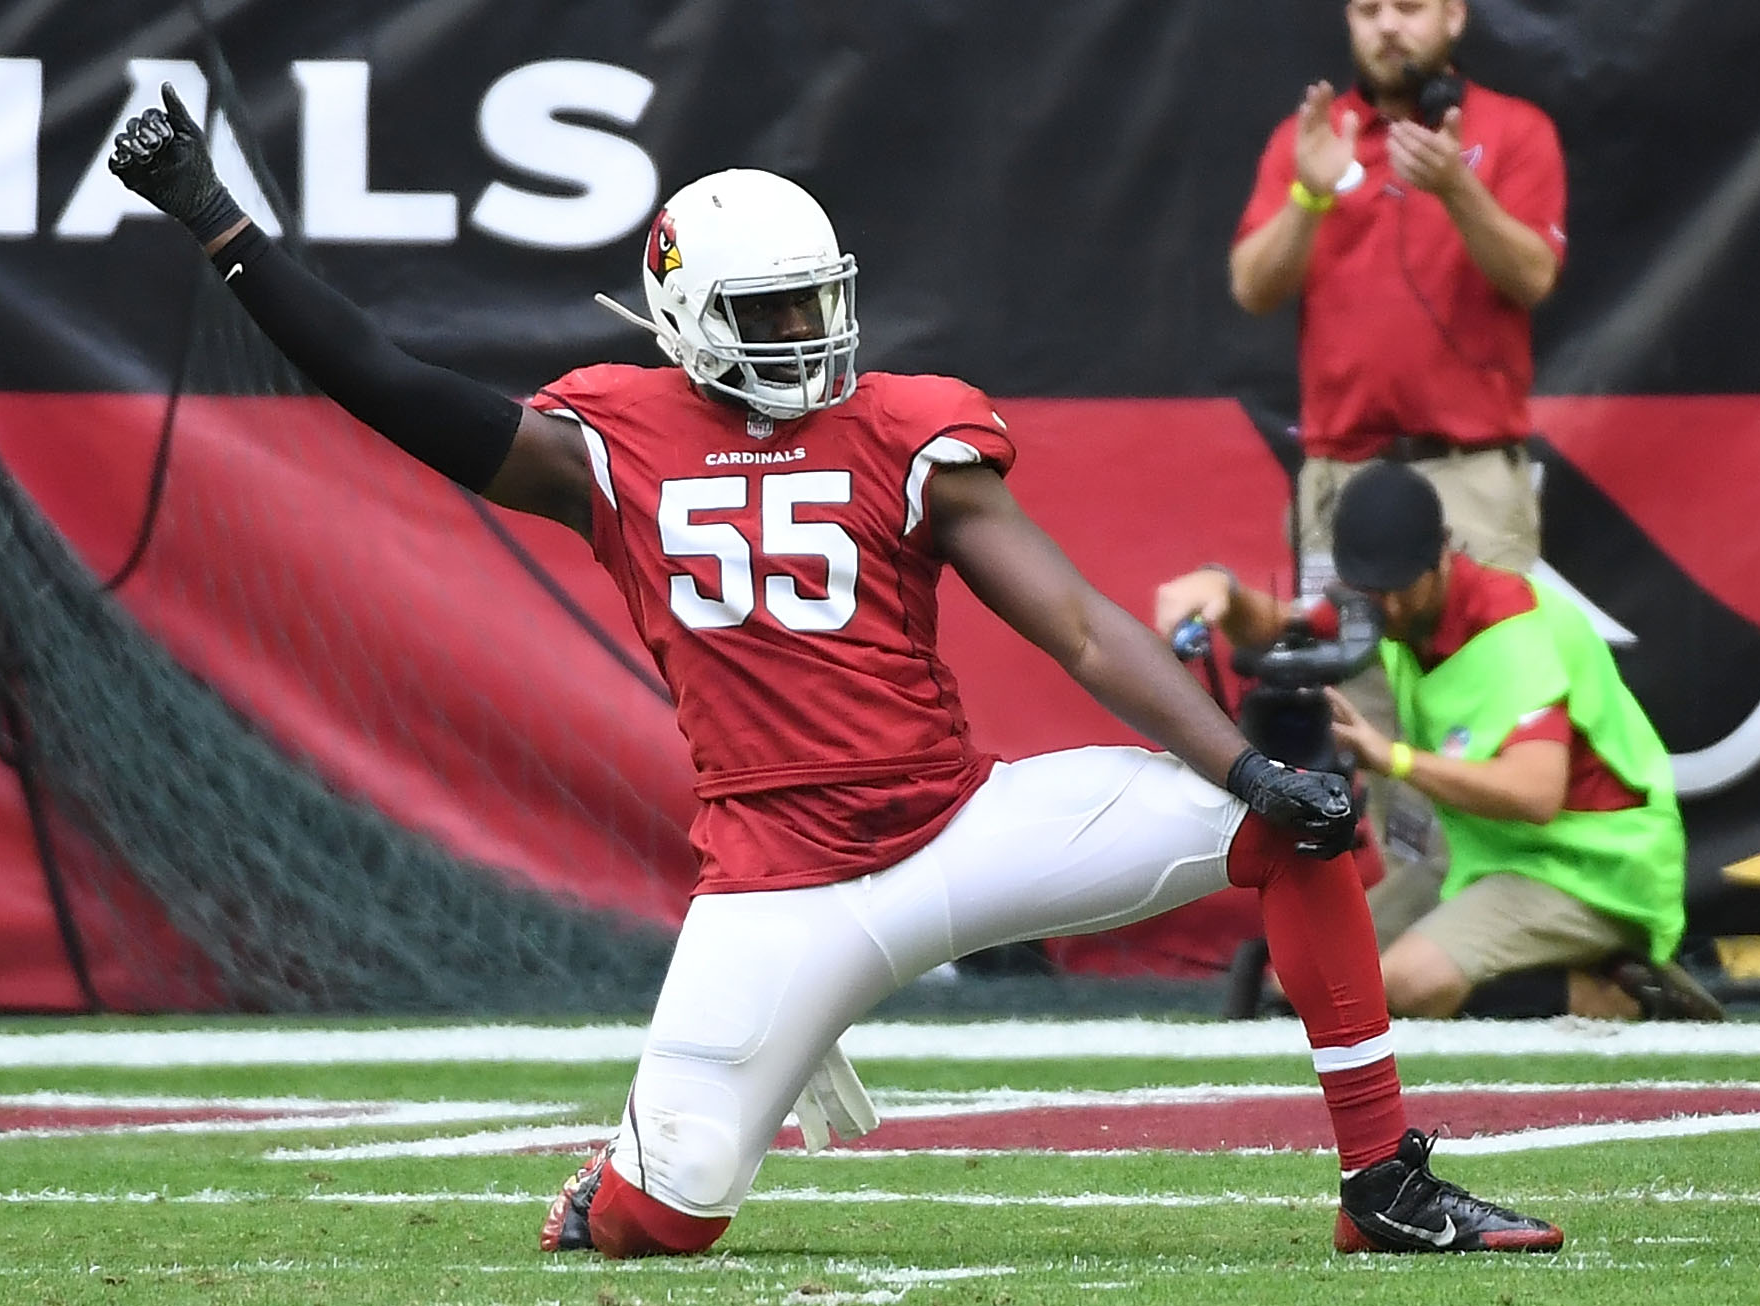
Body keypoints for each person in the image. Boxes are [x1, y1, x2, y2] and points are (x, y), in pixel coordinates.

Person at [108, 87, 1562, 1257]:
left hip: (955, 828)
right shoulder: (604, 443)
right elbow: (386, 379)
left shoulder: (902, 427)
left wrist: (1247, 766)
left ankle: (1380, 1180)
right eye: (770, 313)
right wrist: (223, 227)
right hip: (775, 889)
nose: (806, 339)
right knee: (654, 1225)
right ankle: (612, 1170)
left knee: (1293, 825)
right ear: (681, 316)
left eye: (818, 304)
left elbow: (1073, 623)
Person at [1226, 0, 1570, 963]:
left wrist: (1456, 192)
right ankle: (1418, 923)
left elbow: (1534, 275)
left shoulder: (1511, 131)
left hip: (1462, 476)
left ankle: (1520, 925)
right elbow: (1253, 287)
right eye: (1368, 9)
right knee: (1362, 708)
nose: (1387, 27)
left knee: (1496, 700)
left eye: (1409, 7)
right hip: (1344, 479)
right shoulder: (1315, 138)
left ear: (1453, 16)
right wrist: (1307, 195)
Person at [1157, 462, 1721, 1022]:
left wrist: (1393, 758)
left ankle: (1621, 997)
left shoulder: (1510, 628)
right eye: (1373, 592)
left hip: (1593, 872)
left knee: (1400, 986)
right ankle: (1571, 971)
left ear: (1442, 555)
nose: (1391, 608)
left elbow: (1537, 793)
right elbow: (1282, 631)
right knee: (1303, 976)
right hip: (1484, 864)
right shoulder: (1383, 598)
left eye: (1402, 588)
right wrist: (1224, 592)